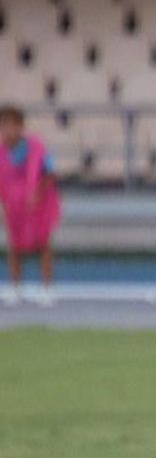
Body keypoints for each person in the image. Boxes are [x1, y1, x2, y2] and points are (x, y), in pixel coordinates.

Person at [0, 105, 62, 307]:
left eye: (11, 126)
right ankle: (15, 288)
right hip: (14, 206)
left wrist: (38, 193)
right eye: (3, 126)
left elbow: (50, 173)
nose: (7, 131)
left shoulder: (37, 148)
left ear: (20, 126)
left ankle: (47, 288)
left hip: (39, 205)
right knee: (14, 247)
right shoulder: (1, 153)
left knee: (43, 246)